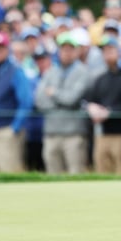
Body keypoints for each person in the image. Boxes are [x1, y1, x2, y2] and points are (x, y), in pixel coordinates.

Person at [35, 32, 91, 174]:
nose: (66, 53)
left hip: (73, 134)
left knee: (75, 174)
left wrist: (54, 93)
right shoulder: (51, 71)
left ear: (76, 51)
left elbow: (72, 99)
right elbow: (39, 100)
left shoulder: (83, 72)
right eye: (63, 49)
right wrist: (61, 101)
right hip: (51, 133)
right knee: (52, 175)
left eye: (70, 49)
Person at [0, 31, 33, 173]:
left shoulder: (16, 71)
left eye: (1, 47)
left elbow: (26, 102)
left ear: (7, 49)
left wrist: (14, 127)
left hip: (6, 130)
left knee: (8, 171)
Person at [84, 35, 121, 174]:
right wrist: (91, 107)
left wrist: (110, 112)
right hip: (102, 134)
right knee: (102, 171)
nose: (107, 53)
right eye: (104, 51)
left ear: (119, 52)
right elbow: (88, 100)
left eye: (111, 49)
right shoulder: (100, 79)